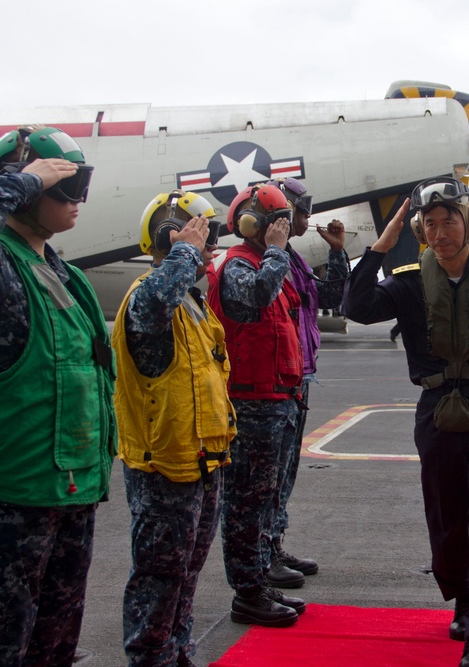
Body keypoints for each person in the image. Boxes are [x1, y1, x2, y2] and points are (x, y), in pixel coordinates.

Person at [341, 178, 469, 667]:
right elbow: (355, 307)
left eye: (449, 220)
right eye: (429, 224)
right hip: (437, 413)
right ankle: (462, 596)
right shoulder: (409, 280)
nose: (440, 232)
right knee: (447, 524)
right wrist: (381, 246)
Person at [0, 125, 116, 666]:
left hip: (68, 493)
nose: (79, 198)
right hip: (3, 507)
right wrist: (26, 180)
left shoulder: (60, 273)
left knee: (52, 648)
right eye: (66, 185)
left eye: (82, 183)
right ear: (22, 189)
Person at [114, 190, 237, 666]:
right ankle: (151, 657)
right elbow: (154, 301)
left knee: (184, 576)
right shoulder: (149, 297)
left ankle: (177, 652)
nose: (210, 245)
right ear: (170, 236)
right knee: (159, 578)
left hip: (201, 463)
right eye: (200, 232)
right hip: (164, 471)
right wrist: (183, 250)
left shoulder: (192, 305)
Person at [206, 183, 306, 627]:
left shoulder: (263, 263)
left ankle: (259, 577)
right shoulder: (238, 267)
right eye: (277, 221)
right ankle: (247, 590)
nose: (283, 229)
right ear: (253, 225)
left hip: (277, 400)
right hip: (251, 404)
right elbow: (256, 297)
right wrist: (277, 251)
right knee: (247, 502)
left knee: (265, 499)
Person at [264, 177, 350, 588]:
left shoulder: (292, 259)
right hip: (275, 380)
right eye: (299, 209)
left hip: (299, 373)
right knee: (267, 474)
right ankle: (262, 554)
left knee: (285, 471)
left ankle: (273, 544)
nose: (307, 216)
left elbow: (330, 296)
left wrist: (337, 254)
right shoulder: (263, 260)